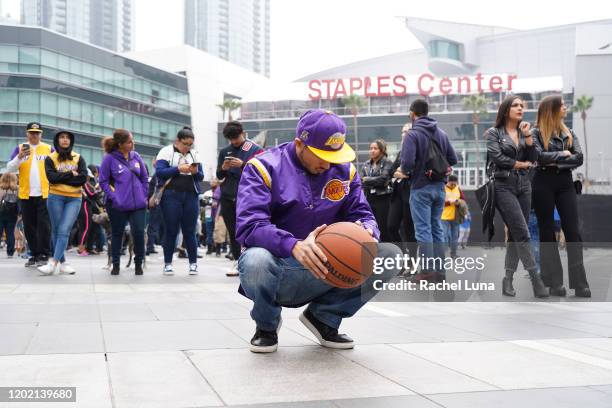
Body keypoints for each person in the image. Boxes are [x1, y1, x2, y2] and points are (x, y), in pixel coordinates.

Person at [236, 109, 400, 353]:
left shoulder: (346, 172)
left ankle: (324, 318)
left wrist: (367, 230)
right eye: (321, 155)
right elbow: (250, 225)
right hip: (281, 266)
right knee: (255, 261)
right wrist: (293, 245)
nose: (328, 163)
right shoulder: (262, 167)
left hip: (329, 266)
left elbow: (364, 215)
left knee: (389, 255)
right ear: (300, 143)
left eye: (334, 155)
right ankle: (266, 325)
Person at [485, 95, 548, 298]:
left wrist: (529, 137)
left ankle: (508, 279)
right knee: (522, 231)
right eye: (515, 105)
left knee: (515, 234)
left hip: (524, 186)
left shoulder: (525, 132)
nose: (520, 108)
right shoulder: (495, 133)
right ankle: (536, 279)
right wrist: (518, 164)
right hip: (504, 186)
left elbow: (535, 158)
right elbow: (497, 157)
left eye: (522, 105)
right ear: (506, 110)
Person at [532, 95, 590, 297]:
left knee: (573, 231)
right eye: (562, 105)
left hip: (565, 183)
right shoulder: (535, 132)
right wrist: (563, 155)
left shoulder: (570, 132)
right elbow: (538, 157)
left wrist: (555, 161)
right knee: (547, 232)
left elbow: (580, 158)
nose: (566, 107)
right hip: (542, 183)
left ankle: (580, 283)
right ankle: (555, 282)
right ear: (552, 110)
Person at [400, 99, 457, 283]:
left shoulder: (412, 134)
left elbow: (407, 164)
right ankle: (440, 272)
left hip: (420, 187)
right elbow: (453, 159)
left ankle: (427, 272)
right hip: (439, 187)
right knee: (437, 230)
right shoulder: (441, 133)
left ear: (412, 113)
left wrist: (406, 170)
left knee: (423, 231)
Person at [155, 126, 205, 276]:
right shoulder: (166, 151)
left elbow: (201, 176)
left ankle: (193, 264)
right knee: (171, 230)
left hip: (191, 195)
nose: (188, 147)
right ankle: (168, 263)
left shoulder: (194, 154)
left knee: (190, 231)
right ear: (178, 141)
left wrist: (195, 172)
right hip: (171, 195)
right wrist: (178, 169)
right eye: (185, 144)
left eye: (190, 144)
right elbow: (159, 172)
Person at [99, 129, 149, 276]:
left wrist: (144, 195)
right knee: (117, 233)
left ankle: (138, 263)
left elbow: (145, 178)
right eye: (129, 141)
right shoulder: (109, 159)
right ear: (120, 144)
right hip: (117, 205)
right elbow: (103, 181)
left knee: (139, 232)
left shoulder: (136, 157)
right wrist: (115, 197)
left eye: (132, 140)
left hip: (138, 205)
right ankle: (115, 264)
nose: (133, 143)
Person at [37, 130, 88, 275]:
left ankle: (52, 262)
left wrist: (62, 177)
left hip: (74, 199)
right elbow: (51, 178)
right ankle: (64, 262)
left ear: (71, 141)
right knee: (56, 230)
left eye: (67, 138)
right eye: (62, 137)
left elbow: (82, 178)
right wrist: (71, 174)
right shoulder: (50, 158)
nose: (65, 140)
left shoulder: (78, 158)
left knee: (64, 230)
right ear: (57, 140)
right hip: (55, 198)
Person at [216, 121, 263, 271]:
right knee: (232, 230)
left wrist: (243, 165)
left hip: (248, 196)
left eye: (236, 138)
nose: (234, 142)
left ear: (242, 133)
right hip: (228, 195)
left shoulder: (255, 149)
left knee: (248, 229)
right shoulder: (225, 151)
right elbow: (219, 175)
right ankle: (238, 261)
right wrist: (223, 168)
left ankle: (252, 260)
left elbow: (262, 171)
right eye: (231, 139)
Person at [5, 122, 52, 267]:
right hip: (26, 194)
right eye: (31, 132)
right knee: (29, 226)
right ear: (27, 134)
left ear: (41, 134)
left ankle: (44, 254)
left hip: (44, 194)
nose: (34, 135)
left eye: (37, 133)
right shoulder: (20, 148)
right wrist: (19, 157)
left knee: (44, 226)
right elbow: (9, 168)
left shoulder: (49, 148)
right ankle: (34, 254)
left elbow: (55, 168)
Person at [387, 125, 417, 258]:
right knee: (391, 226)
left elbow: (412, 172)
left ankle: (412, 261)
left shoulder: (417, 150)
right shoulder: (401, 152)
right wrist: (401, 172)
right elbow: (391, 171)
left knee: (409, 230)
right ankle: (403, 256)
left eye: (406, 131)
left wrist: (402, 172)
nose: (403, 134)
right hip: (397, 193)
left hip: (410, 194)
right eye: (402, 132)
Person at [360, 139, 393, 242]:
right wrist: (371, 180)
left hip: (383, 198)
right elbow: (361, 180)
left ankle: (387, 250)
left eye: (375, 148)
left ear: (382, 150)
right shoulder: (366, 164)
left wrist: (367, 180)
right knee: (371, 225)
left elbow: (383, 180)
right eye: (371, 148)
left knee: (383, 226)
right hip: (369, 198)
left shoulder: (387, 162)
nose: (372, 151)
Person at [441, 174, 464, 258]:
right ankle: (441, 255)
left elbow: (463, 200)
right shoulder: (442, 188)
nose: (453, 185)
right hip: (444, 217)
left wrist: (459, 202)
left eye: (455, 184)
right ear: (448, 182)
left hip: (455, 216)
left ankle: (453, 254)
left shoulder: (458, 189)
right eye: (452, 184)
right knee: (444, 235)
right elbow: (439, 202)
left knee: (455, 236)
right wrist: (449, 202)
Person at [0, 173, 19, 258]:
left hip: (1, 212)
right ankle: (10, 253)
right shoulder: (17, 189)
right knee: (10, 233)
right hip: (13, 213)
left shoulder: (1, 188)